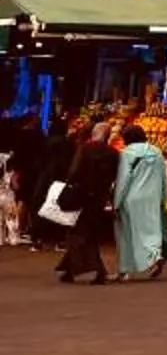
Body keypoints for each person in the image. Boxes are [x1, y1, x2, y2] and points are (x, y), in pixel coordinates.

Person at [54, 122, 120, 285]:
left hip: (81, 195)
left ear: (93, 134)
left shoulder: (85, 149)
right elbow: (115, 176)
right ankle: (70, 270)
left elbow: (74, 171)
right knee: (87, 231)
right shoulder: (113, 153)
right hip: (99, 197)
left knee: (78, 234)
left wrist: (68, 185)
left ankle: (97, 270)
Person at [113, 122, 167, 280]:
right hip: (152, 197)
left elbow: (123, 180)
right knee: (151, 230)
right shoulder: (156, 151)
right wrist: (163, 198)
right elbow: (163, 177)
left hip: (131, 198)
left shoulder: (126, 154)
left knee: (127, 234)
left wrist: (116, 202)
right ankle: (154, 255)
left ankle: (125, 269)